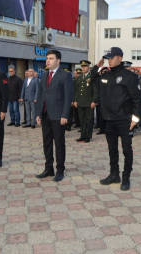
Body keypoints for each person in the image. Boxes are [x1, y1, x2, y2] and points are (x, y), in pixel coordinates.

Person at [92, 47, 141, 191]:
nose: (109, 60)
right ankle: (114, 174)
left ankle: (126, 177)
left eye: (111, 58)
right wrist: (98, 65)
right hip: (109, 119)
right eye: (107, 58)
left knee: (127, 149)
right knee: (112, 149)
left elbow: (137, 99)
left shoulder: (129, 76)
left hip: (124, 119)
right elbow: (93, 78)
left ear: (119, 58)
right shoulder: (106, 74)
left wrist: (136, 118)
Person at [35, 50, 73, 182]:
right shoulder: (44, 75)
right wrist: (38, 114)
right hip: (45, 115)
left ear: (58, 61)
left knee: (59, 144)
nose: (47, 61)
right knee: (47, 143)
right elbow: (41, 95)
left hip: (58, 116)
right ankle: (48, 168)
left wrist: (65, 115)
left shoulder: (65, 75)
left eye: (51, 58)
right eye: (47, 58)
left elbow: (68, 97)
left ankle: (60, 170)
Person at [74, 60, 97, 143]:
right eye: (82, 67)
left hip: (89, 103)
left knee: (89, 120)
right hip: (81, 102)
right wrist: (75, 100)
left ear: (88, 67)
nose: (83, 68)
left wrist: (94, 101)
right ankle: (82, 135)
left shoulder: (91, 77)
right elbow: (77, 90)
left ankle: (88, 136)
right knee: (82, 120)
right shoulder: (80, 78)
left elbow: (95, 90)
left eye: (85, 66)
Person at [95, 67, 108, 135]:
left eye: (106, 71)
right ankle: (102, 129)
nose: (105, 73)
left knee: (108, 116)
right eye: (103, 71)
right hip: (100, 101)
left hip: (108, 101)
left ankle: (108, 129)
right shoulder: (99, 79)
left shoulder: (111, 78)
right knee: (100, 116)